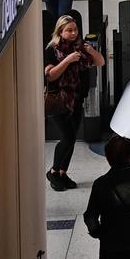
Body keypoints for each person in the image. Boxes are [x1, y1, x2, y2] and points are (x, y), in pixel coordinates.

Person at [43, 14, 104, 190]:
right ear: (60, 31)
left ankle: (62, 172)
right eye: (69, 30)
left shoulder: (79, 48)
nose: (73, 33)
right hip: (58, 100)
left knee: (72, 138)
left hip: (76, 99)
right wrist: (68, 60)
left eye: (75, 30)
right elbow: (50, 75)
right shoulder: (52, 50)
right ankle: (54, 171)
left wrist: (91, 51)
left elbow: (100, 62)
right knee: (67, 138)